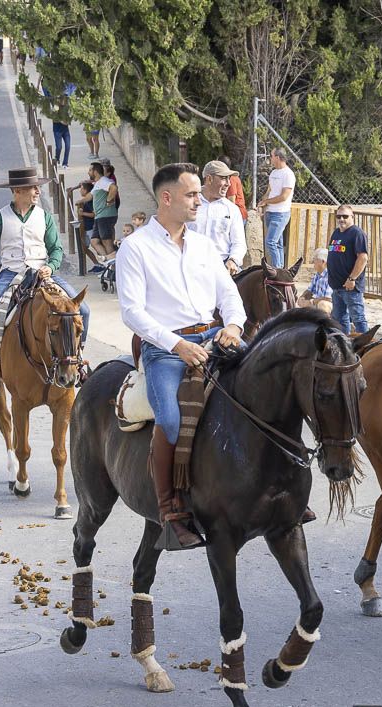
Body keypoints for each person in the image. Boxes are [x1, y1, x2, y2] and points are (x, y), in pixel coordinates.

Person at [115, 163, 246, 551]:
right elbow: (132, 313)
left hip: (215, 337)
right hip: (165, 351)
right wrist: (176, 345)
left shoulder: (205, 246)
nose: (198, 201)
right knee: (170, 418)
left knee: (270, 379)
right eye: (191, 195)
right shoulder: (136, 248)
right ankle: (170, 511)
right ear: (166, 198)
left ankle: (279, 486)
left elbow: (230, 297)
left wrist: (234, 327)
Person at [0, 167, 90, 397]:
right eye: (32, 188)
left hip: (43, 272)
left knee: (83, 309)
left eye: (37, 188)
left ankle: (77, 360)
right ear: (17, 191)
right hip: (10, 273)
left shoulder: (44, 217)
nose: (36, 191)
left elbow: (56, 249)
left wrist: (50, 266)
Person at [189, 160, 245, 275]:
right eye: (224, 178)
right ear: (209, 179)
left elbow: (239, 243)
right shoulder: (188, 204)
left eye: (229, 179)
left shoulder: (232, 209)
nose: (229, 184)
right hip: (191, 268)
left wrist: (233, 260)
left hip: (223, 270)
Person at [325, 204, 368, 334]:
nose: (341, 219)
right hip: (336, 286)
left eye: (345, 216)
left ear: (352, 217)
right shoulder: (336, 233)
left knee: (358, 319)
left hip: (350, 286)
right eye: (339, 216)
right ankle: (345, 346)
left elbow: (363, 258)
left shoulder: (357, 233)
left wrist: (352, 278)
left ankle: (367, 346)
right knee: (339, 320)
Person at [256, 148, 294, 269]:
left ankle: (277, 269)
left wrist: (267, 201)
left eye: (271, 156)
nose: (270, 158)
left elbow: (284, 196)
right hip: (270, 212)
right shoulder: (273, 173)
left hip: (280, 214)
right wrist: (263, 203)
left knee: (270, 242)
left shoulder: (288, 174)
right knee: (277, 243)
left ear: (277, 157)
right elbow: (269, 191)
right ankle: (280, 268)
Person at [88, 160, 116, 260]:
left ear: (95, 171)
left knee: (107, 241)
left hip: (105, 215)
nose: (88, 172)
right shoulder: (98, 183)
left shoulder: (104, 181)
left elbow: (113, 188)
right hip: (99, 216)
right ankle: (109, 262)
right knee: (94, 241)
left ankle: (113, 266)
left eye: (90, 170)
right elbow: (89, 196)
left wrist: (109, 200)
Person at [297, 247, 332, 312]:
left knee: (322, 304)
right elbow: (310, 290)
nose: (313, 262)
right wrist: (302, 297)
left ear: (323, 262)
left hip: (329, 306)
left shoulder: (330, 275)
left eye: (315, 259)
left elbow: (329, 298)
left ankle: (325, 321)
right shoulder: (318, 274)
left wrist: (312, 301)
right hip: (317, 303)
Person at [219, 155, 247, 224]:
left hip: (237, 216)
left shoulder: (231, 179)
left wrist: (227, 218)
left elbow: (232, 201)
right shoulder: (229, 177)